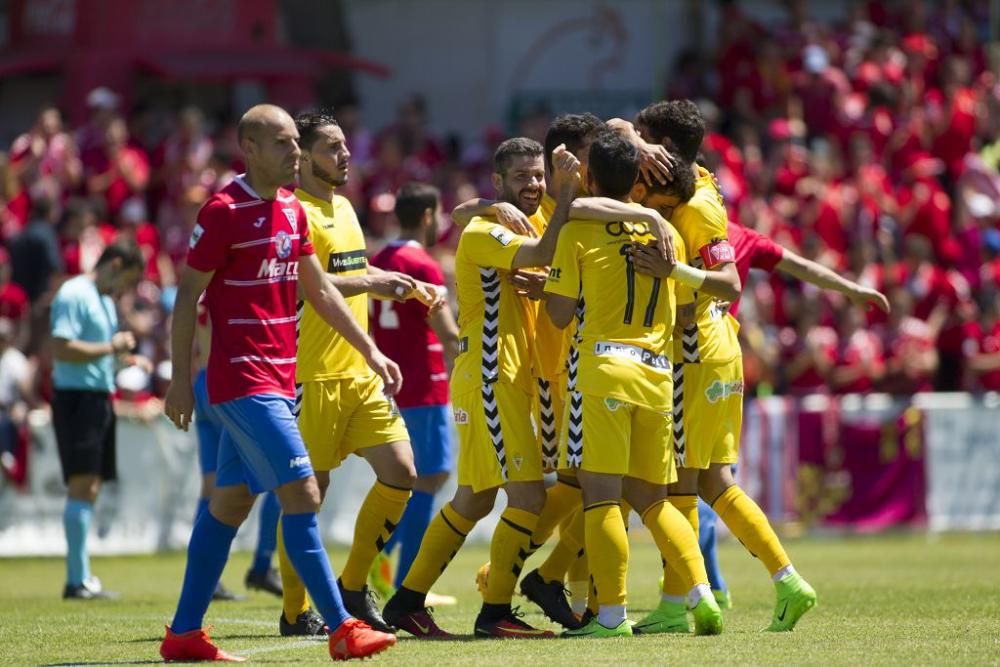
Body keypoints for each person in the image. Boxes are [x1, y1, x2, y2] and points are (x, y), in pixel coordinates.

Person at [159, 104, 398, 662]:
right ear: (250, 150)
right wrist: (178, 379)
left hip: (281, 377)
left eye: (297, 143)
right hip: (242, 381)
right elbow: (185, 299)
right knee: (304, 491)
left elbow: (320, 292)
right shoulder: (221, 211)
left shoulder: (293, 210)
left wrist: (371, 350)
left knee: (229, 506)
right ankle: (342, 627)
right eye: (284, 144)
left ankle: (184, 634)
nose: (295, 153)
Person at [626, 99, 816, 632]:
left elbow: (730, 284)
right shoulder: (692, 179)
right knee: (709, 481)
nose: (636, 146)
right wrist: (638, 142)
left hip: (699, 349)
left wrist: (672, 271)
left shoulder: (698, 206)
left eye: (646, 139)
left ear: (666, 149)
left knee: (684, 486)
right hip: (711, 348)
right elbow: (617, 128)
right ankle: (705, 595)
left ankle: (711, 594)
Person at [382, 137, 579, 639]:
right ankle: (495, 613)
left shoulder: (502, 219)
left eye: (539, 175)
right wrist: (563, 193)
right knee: (529, 496)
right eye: (522, 177)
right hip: (493, 376)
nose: (534, 185)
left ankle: (406, 600)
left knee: (473, 498)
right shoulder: (489, 230)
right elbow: (540, 250)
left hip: (498, 376)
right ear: (498, 182)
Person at [544, 129, 721, 638]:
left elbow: (558, 315)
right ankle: (702, 596)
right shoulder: (670, 234)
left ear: (591, 176)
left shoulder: (579, 231)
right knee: (655, 500)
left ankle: (610, 617)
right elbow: (687, 311)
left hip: (603, 373)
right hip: (658, 376)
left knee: (600, 497)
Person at [275, 111, 444, 636]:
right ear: (301, 157)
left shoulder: (346, 207)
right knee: (308, 495)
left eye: (346, 145)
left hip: (360, 373)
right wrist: (369, 283)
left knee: (402, 472)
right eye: (332, 147)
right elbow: (312, 284)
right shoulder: (289, 212)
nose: (345, 154)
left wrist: (391, 281)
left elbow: (348, 274)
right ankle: (293, 610)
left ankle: (353, 584)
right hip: (312, 375)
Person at [369, 183, 460, 592]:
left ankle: (385, 565)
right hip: (424, 383)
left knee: (413, 479)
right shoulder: (422, 264)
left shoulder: (380, 259)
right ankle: (404, 579)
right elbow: (447, 333)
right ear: (428, 216)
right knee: (431, 476)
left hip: (391, 382)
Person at [49, 241, 146, 599]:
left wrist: (127, 363)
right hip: (76, 400)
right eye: (127, 280)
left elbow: (100, 355)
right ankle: (76, 580)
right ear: (115, 264)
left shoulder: (104, 300)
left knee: (90, 486)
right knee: (81, 484)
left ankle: (82, 575)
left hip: (99, 398)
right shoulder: (74, 293)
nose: (124, 290)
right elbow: (60, 347)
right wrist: (113, 348)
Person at [191, 302, 281, 602]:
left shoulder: (206, 293)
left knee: (211, 485)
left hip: (202, 383)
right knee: (285, 475)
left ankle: (205, 578)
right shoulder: (232, 286)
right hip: (228, 383)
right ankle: (263, 564)